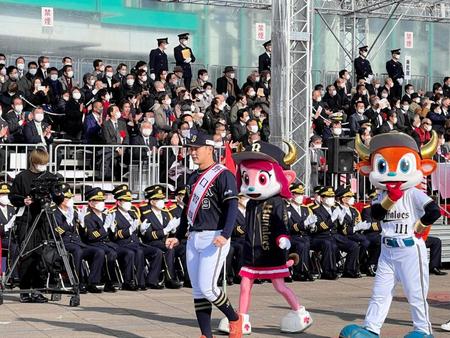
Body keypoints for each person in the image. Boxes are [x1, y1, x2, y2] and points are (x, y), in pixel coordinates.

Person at [342, 131, 441, 337]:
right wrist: (390, 198)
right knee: (380, 293)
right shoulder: (381, 194)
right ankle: (371, 328)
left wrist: (421, 226)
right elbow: (376, 214)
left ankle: (423, 330)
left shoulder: (413, 192)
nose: (393, 173)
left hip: (409, 248)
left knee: (416, 294)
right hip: (387, 249)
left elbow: (434, 211)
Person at [165, 132, 243, 338]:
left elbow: (232, 206)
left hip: (214, 236)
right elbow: (186, 211)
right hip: (194, 236)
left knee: (208, 288)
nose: (193, 152)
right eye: (191, 149)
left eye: (196, 148)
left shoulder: (222, 174)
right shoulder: (192, 177)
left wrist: (226, 234)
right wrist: (178, 235)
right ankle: (205, 334)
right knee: (198, 290)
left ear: (209, 149)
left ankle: (234, 318)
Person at [9, 148, 54, 303]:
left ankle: (38, 289)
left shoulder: (48, 177)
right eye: (40, 163)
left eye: (45, 163)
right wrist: (24, 201)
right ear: (33, 162)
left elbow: (55, 195)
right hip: (27, 220)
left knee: (41, 255)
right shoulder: (22, 177)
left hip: (43, 220)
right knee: (27, 255)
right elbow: (13, 196)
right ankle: (25, 290)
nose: (43, 166)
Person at [109, 185, 164, 290]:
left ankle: (151, 280)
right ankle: (136, 282)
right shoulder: (113, 214)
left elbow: (137, 230)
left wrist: (142, 230)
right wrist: (128, 231)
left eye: (130, 201)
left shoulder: (133, 213)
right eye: (126, 201)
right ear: (119, 202)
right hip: (123, 244)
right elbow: (114, 235)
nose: (129, 203)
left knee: (157, 252)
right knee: (138, 252)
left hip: (136, 243)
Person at [52, 183, 104, 293]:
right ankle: (78, 282)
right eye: (68, 198)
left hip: (78, 243)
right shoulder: (54, 213)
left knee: (98, 252)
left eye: (71, 197)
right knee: (77, 251)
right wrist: (67, 223)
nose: (71, 200)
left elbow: (83, 234)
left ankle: (92, 282)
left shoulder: (74, 212)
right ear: (61, 199)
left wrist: (82, 224)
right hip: (64, 244)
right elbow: (56, 233)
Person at [139, 185, 183, 289]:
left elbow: (171, 231)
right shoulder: (145, 213)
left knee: (183, 248)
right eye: (158, 199)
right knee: (169, 249)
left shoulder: (165, 213)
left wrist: (173, 230)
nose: (161, 201)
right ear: (152, 201)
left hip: (164, 241)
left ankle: (186, 278)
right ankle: (168, 279)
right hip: (151, 242)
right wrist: (165, 231)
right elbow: (148, 235)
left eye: (162, 199)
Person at [287, 183, 316, 281]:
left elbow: (311, 228)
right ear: (292, 195)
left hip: (305, 236)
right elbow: (290, 227)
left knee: (306, 243)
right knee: (302, 244)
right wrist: (304, 224)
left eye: (301, 194)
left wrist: (312, 226)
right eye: (298, 194)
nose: (300, 197)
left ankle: (306, 270)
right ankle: (299, 271)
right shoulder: (287, 209)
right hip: (293, 237)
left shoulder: (306, 209)